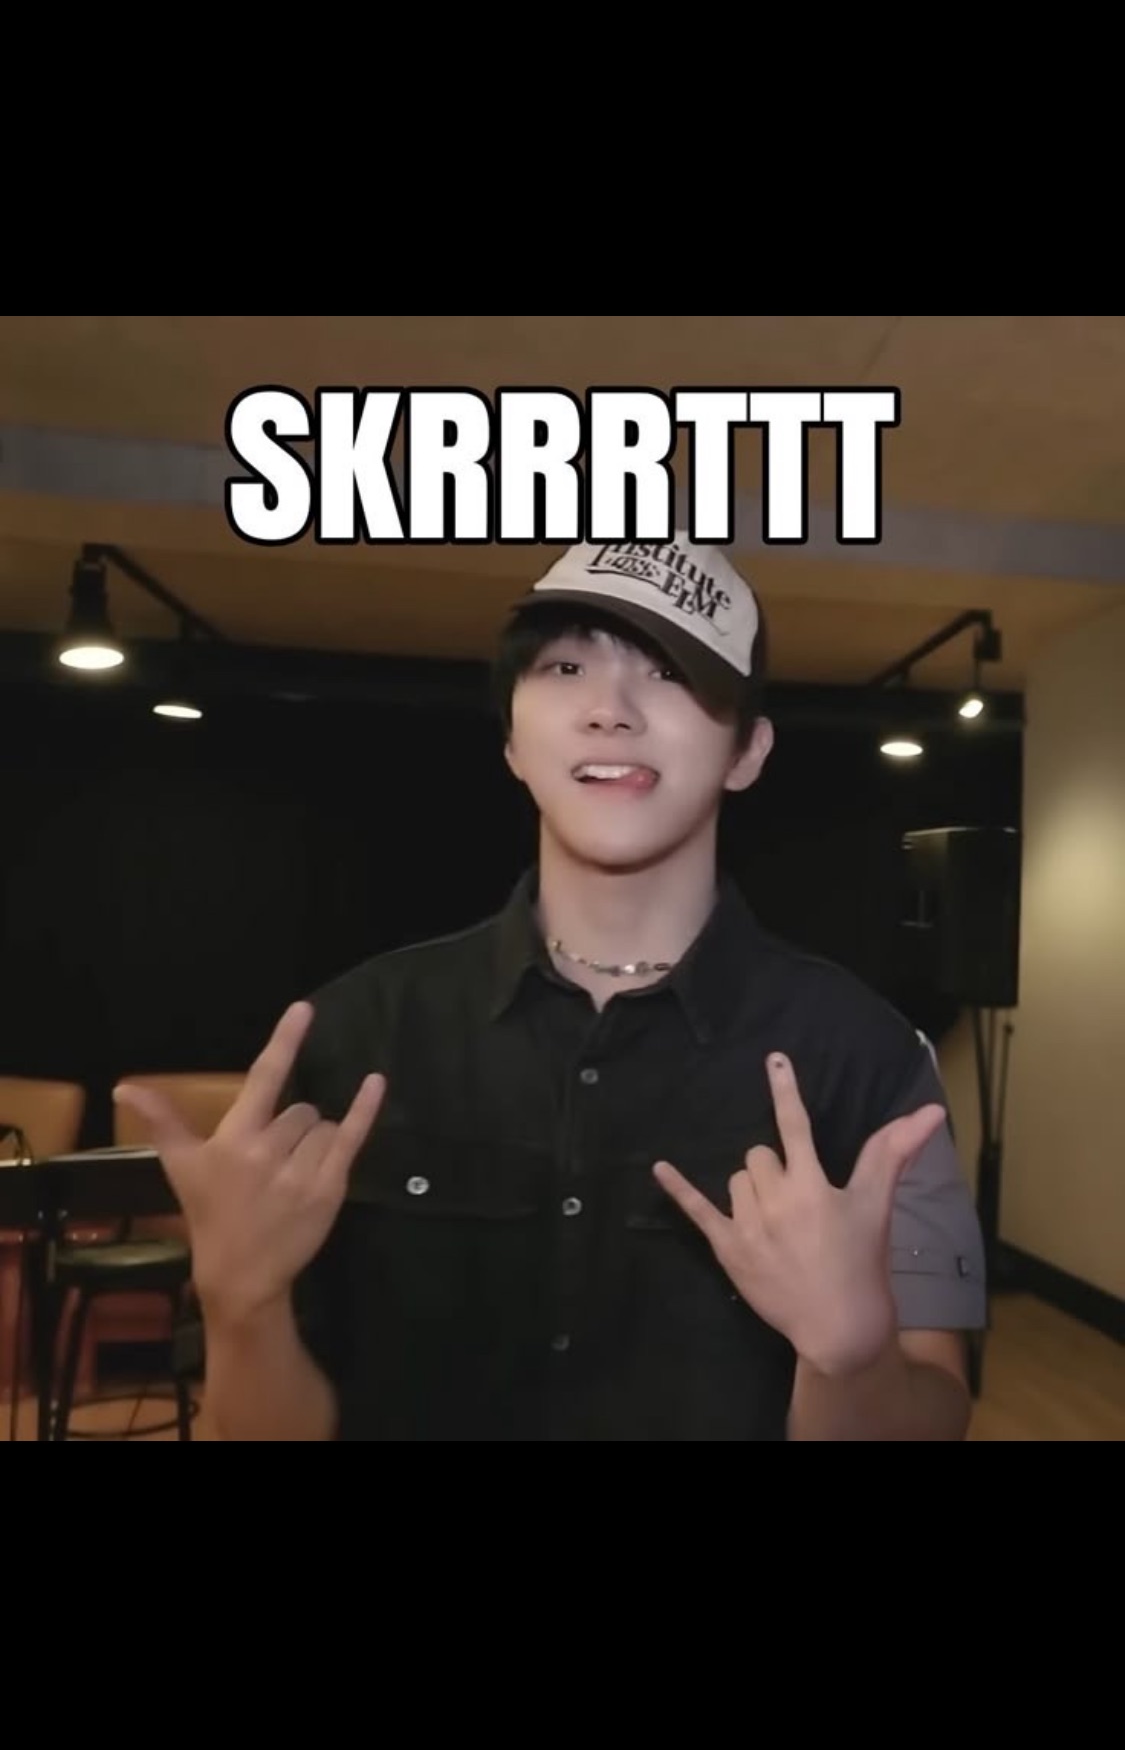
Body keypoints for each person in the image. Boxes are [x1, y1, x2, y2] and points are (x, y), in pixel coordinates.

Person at [117, 535, 987, 1441]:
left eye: (668, 672)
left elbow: (934, 1411)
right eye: (566, 667)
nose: (609, 710)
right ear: (510, 740)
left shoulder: (867, 1061)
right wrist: (239, 1308)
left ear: (748, 750)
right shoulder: (351, 1035)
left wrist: (851, 1359)